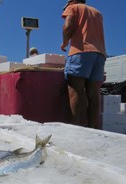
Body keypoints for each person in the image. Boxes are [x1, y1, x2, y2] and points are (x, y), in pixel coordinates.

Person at [61, 0, 106, 129]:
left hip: (81, 52)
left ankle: (75, 130)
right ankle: (93, 130)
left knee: (75, 90)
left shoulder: (73, 7)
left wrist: (64, 43)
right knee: (93, 94)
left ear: (72, 1)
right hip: (99, 54)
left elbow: (67, 26)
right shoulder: (97, 13)